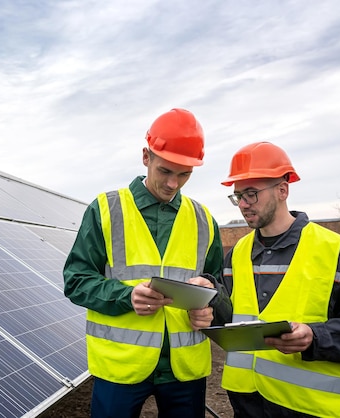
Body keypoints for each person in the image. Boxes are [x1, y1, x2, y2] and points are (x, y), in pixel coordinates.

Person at [63, 108, 231, 418]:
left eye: (184, 174)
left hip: (185, 370)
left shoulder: (204, 220)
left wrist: (210, 297)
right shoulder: (105, 210)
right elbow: (76, 281)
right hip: (121, 367)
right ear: (146, 157)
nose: (173, 183)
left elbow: (221, 287)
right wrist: (126, 296)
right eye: (165, 170)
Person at [219, 141, 340, 418]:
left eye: (251, 194)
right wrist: (206, 297)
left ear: (283, 189)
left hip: (312, 409)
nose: (242, 204)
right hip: (249, 405)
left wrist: (315, 337)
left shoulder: (332, 250)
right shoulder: (237, 254)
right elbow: (231, 318)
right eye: (237, 196)